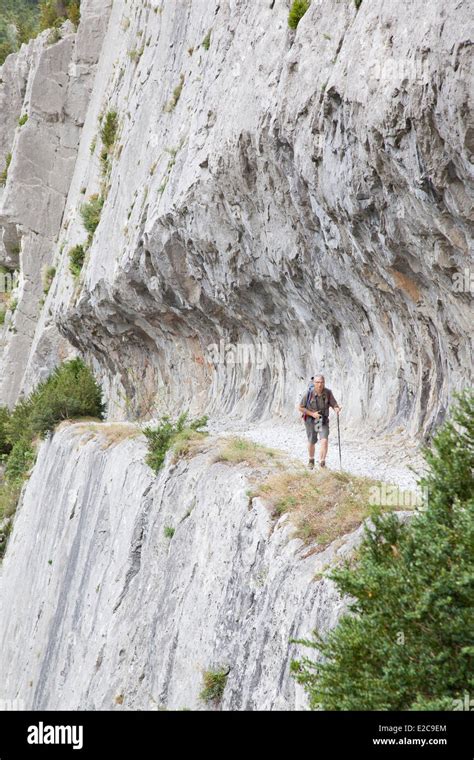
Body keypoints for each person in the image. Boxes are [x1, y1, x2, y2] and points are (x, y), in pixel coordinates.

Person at [298, 374, 342, 469]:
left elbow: (334, 404)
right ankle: (311, 460)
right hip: (311, 420)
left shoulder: (328, 393)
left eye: (322, 382)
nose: (320, 384)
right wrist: (312, 414)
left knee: (324, 440)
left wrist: (336, 409)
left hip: (322, 420)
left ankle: (322, 463)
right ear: (314, 383)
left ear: (324, 383)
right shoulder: (309, 393)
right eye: (317, 382)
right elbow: (300, 407)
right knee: (312, 441)